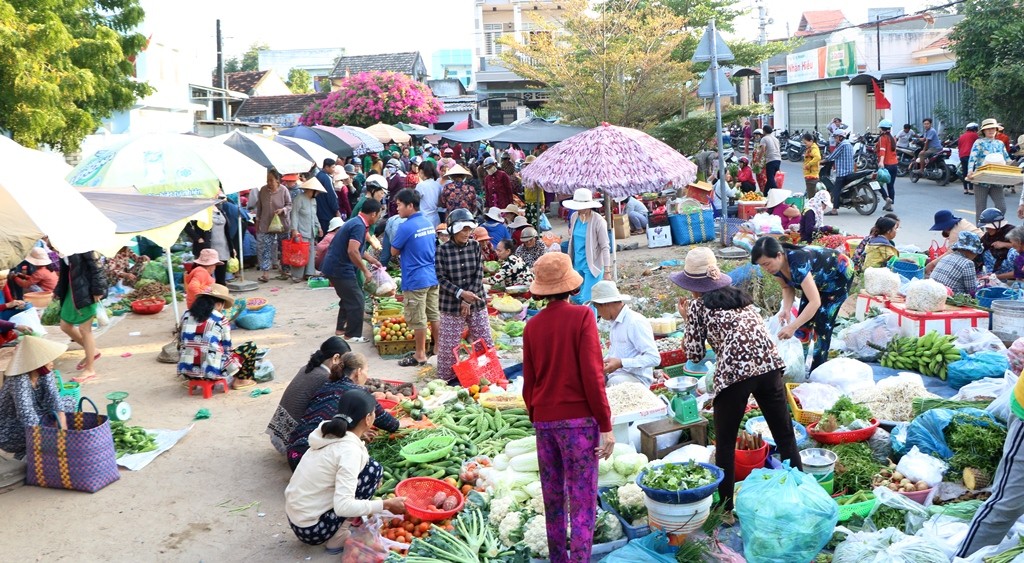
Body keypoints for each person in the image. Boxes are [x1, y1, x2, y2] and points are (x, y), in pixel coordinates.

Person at [672, 247, 801, 510]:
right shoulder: (742, 299)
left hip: (735, 375)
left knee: (726, 444)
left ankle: (726, 509)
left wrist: (688, 322)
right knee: (785, 435)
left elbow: (694, 355)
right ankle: (800, 492)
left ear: (693, 286)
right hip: (770, 367)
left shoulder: (697, 307)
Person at [522, 252, 613, 563]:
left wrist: (538, 416)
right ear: (572, 287)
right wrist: (605, 424)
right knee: (582, 499)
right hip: (579, 424)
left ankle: (559, 559)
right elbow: (593, 374)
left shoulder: (532, 326)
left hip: (545, 422)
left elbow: (529, 382)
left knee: (554, 498)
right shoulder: (582, 317)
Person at [284, 389, 407, 554]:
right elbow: (343, 507)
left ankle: (336, 528)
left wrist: (360, 437)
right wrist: (384, 504)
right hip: (312, 530)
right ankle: (337, 538)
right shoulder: (349, 451)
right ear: (368, 418)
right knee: (373, 470)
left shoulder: (328, 432)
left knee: (367, 467)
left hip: (297, 518)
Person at [752, 237, 854, 372]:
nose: (766, 268)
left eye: (767, 264)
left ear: (779, 255)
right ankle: (800, 366)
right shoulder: (775, 267)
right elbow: (787, 288)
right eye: (762, 265)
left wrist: (792, 327)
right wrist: (786, 309)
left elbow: (815, 302)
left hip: (838, 274)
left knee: (822, 328)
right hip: (817, 279)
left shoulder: (798, 262)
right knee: (803, 327)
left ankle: (817, 371)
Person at [286, 352, 400, 471]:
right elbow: (388, 423)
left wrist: (355, 432)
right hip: (312, 462)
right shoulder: (359, 394)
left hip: (294, 454)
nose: (367, 376)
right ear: (358, 372)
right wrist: (399, 424)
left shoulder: (327, 385)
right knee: (373, 469)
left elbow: (329, 419)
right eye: (367, 370)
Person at [435, 209, 495, 385]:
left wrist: (468, 298)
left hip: (476, 300)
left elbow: (478, 273)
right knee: (448, 346)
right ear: (453, 230)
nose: (467, 233)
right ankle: (447, 380)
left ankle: (487, 374)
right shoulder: (442, 250)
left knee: (483, 340)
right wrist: (461, 294)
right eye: (463, 230)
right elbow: (441, 278)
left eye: (469, 230)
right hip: (451, 304)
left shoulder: (475, 246)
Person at [266, 337, 351, 455]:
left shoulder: (308, 367)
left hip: (278, 436)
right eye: (344, 364)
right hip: (292, 443)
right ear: (336, 358)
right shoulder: (325, 378)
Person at [321, 198, 383, 342]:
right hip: (340, 268)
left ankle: (341, 328)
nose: (379, 217)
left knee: (347, 297)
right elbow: (352, 251)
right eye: (379, 214)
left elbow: (358, 249)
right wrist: (365, 270)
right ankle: (352, 335)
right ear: (373, 214)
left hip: (335, 266)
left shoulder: (357, 222)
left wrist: (372, 260)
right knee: (357, 299)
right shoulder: (358, 226)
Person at [0, 336, 72, 460]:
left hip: (38, 413)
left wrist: (62, 426)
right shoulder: (18, 379)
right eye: (48, 361)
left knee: (69, 402)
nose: (52, 363)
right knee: (40, 427)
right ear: (36, 363)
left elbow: (54, 398)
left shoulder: (44, 373)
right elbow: (26, 415)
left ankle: (36, 446)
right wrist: (51, 438)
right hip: (11, 428)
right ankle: (28, 451)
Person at [391, 189, 439, 368]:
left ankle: (419, 355)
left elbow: (393, 251)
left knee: (418, 318)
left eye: (399, 205)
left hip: (415, 278)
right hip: (431, 276)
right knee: (434, 314)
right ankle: (437, 350)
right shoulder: (427, 222)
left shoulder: (406, 226)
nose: (397, 209)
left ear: (410, 206)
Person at [589, 280, 659, 387]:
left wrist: (621, 363)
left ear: (605, 304)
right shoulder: (615, 322)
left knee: (615, 384)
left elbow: (654, 358)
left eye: (598, 309)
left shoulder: (635, 322)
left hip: (636, 378)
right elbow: (616, 353)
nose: (598, 313)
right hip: (618, 374)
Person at [55, 251, 106, 383]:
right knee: (65, 325)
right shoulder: (62, 247)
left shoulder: (83, 243)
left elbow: (97, 266)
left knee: (85, 329)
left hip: (87, 290)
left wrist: (98, 290)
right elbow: (65, 272)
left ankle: (90, 369)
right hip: (71, 291)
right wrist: (58, 291)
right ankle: (92, 351)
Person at [177, 284, 240, 386]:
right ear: (219, 305)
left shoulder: (186, 315)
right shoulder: (221, 319)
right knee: (245, 351)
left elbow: (181, 341)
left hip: (186, 370)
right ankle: (242, 380)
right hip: (212, 372)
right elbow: (227, 347)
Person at [564, 188, 611, 305]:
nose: (579, 209)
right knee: (575, 297)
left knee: (588, 299)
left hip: (592, 265)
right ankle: (580, 322)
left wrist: (607, 270)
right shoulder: (574, 217)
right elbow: (572, 239)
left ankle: (591, 322)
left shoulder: (599, 221)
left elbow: (605, 246)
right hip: (577, 262)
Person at [967, 118, 1013, 221]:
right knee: (981, 210)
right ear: (983, 131)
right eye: (988, 129)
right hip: (981, 180)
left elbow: (1007, 160)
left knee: (1001, 207)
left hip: (996, 180)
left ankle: (993, 228)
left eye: (993, 128)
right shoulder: (979, 142)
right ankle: (980, 233)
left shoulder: (1000, 144)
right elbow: (972, 158)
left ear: (996, 130)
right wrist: (970, 171)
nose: (991, 130)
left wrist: (1016, 168)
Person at [255, 168, 293, 283]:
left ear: (278, 180)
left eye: (271, 180)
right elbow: (259, 207)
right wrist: (258, 221)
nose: (269, 183)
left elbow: (290, 205)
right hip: (266, 224)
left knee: (284, 248)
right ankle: (265, 273)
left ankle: (285, 270)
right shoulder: (263, 190)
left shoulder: (284, 190)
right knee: (266, 248)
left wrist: (283, 210)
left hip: (282, 224)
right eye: (267, 180)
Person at [925, 210, 984, 276]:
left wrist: (932, 264)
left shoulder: (955, 232)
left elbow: (951, 253)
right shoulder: (962, 222)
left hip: (979, 249)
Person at [290, 178, 325, 283]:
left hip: (311, 231)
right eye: (317, 191)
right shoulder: (299, 199)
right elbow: (294, 214)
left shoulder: (313, 201)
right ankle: (297, 275)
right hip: (301, 231)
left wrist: (318, 226)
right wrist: (294, 230)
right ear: (311, 190)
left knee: (310, 252)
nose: (317, 194)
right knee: (300, 253)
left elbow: (314, 215)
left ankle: (308, 273)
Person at [930, 231, 982, 296]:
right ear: (970, 251)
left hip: (933, 294)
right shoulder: (968, 263)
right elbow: (972, 291)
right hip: (950, 299)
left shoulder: (947, 257)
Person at [979, 209, 1018, 278]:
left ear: (997, 225)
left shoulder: (1011, 230)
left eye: (989, 227)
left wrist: (1004, 244)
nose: (987, 229)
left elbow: (1021, 246)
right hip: (999, 265)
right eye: (986, 227)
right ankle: (992, 276)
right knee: (983, 251)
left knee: (1013, 252)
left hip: (1015, 266)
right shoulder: (987, 237)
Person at [823, 129, 853, 215]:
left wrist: (824, 160)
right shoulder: (849, 144)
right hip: (849, 171)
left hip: (842, 173)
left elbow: (832, 156)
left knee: (836, 190)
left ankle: (834, 210)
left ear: (840, 137)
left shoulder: (842, 145)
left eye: (836, 137)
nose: (835, 139)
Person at [875, 119, 899, 211]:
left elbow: (882, 150)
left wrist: (881, 162)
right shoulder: (892, 138)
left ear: (882, 129)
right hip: (894, 165)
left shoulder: (883, 138)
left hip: (886, 164)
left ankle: (886, 198)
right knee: (890, 185)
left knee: (876, 183)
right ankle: (890, 205)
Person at [415, 160, 443, 228]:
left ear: (421, 171)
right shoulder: (438, 185)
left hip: (424, 218)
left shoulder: (421, 186)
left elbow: (415, 201)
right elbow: (440, 203)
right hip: (436, 218)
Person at [958, 122, 980, 196]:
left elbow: (959, 146)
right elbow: (978, 144)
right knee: (971, 171)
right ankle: (971, 189)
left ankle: (965, 189)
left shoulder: (962, 136)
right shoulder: (974, 135)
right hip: (970, 155)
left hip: (962, 155)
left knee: (964, 172)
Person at [760, 125, 783, 191]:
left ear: (764, 131)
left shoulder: (764, 138)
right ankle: (765, 194)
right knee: (771, 178)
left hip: (771, 160)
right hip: (778, 160)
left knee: (770, 178)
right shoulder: (776, 139)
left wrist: (758, 159)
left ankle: (777, 192)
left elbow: (763, 150)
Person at [802, 133, 821, 198]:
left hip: (812, 176)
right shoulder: (811, 148)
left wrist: (808, 165)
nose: (805, 144)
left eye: (805, 142)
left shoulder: (813, 148)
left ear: (811, 141)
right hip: (810, 175)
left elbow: (818, 157)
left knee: (812, 197)